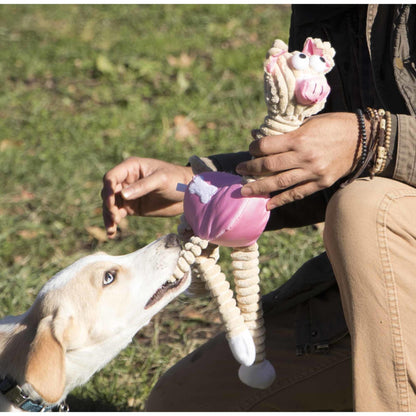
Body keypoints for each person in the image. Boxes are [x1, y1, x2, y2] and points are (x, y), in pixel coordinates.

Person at [101, 5, 416, 411]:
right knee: (182, 403)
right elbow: (330, 166)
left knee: (368, 209)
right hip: (388, 286)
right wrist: (200, 184)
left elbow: (366, 166)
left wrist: (373, 139)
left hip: (382, 223)